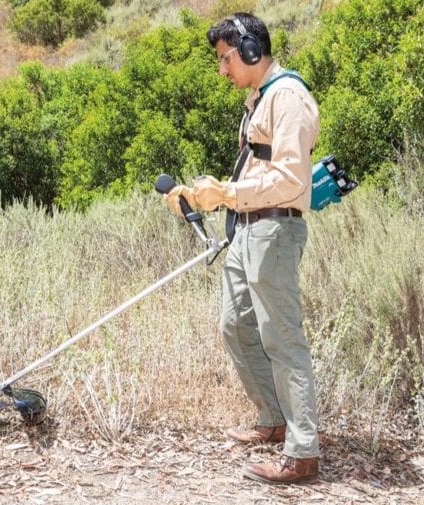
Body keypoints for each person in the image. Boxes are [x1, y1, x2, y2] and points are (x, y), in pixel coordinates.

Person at [164, 13, 320, 484]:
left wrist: (227, 193)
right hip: (247, 230)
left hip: (274, 231)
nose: (222, 70)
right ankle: (272, 419)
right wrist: (201, 195)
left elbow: (291, 178)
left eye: (226, 58)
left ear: (251, 50)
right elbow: (255, 172)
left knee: (281, 337)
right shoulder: (259, 100)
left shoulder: (289, 98)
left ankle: (303, 450)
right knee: (234, 325)